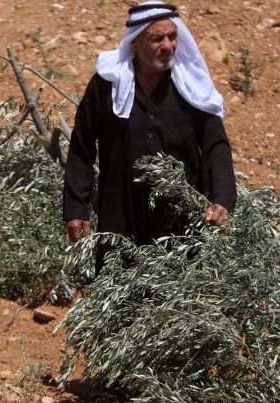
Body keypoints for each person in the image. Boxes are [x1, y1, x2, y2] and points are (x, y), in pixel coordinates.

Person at [63, 1, 237, 247]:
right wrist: (76, 207)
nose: (167, 46)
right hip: (121, 216)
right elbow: (82, 146)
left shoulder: (191, 87)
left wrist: (223, 197)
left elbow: (215, 144)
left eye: (172, 36)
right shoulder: (108, 84)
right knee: (118, 281)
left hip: (180, 220)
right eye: (157, 39)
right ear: (134, 42)